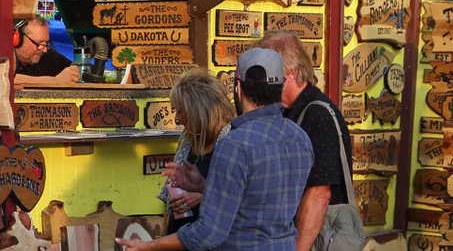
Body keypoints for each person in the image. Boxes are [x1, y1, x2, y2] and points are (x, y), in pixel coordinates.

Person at [120, 49, 311, 251]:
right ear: (281, 86)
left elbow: (209, 232)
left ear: (238, 88)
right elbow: (256, 201)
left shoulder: (235, 144)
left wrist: (149, 246)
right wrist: (204, 186)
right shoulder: (300, 138)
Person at [258, 31, 366, 251]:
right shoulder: (288, 111)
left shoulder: (318, 114)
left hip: (316, 238)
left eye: (267, 73)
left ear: (291, 74)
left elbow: (319, 194)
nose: (262, 82)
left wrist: (298, 248)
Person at [158, 70, 235, 235]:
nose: (177, 118)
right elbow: (169, 202)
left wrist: (203, 196)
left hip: (211, 240)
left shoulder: (232, 140)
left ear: (198, 109)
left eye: (180, 110)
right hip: (179, 237)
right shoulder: (188, 138)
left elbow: (239, 198)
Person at [13, 18, 78, 84]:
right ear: (17, 39)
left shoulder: (50, 56)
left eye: (46, 43)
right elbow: (10, 79)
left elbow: (74, 71)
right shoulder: (7, 58)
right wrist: (55, 81)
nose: (45, 50)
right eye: (39, 43)